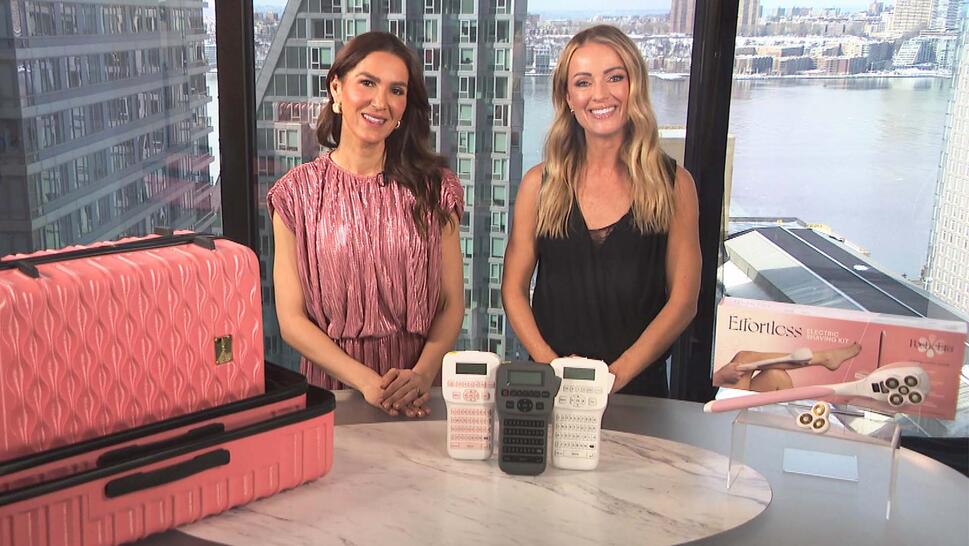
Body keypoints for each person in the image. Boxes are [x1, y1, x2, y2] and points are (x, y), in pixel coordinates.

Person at [268, 32, 464, 417]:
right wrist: (368, 383)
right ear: (336, 89)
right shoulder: (295, 194)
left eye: (396, 90)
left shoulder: (436, 189)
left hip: (418, 393)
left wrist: (422, 374)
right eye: (368, 83)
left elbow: (451, 303)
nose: (381, 102)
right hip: (332, 392)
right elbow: (291, 321)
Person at [502, 25, 701, 398]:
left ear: (634, 85)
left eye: (614, 77)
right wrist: (552, 368)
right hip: (552, 392)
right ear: (568, 97)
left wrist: (614, 376)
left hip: (640, 397)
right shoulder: (538, 185)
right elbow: (513, 290)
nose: (600, 94)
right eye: (583, 82)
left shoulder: (674, 185)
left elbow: (683, 302)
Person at [713, 343, 862, 392]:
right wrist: (720, 377)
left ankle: (792, 436)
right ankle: (824, 358)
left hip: (713, 390)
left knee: (776, 377)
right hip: (707, 404)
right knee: (744, 358)